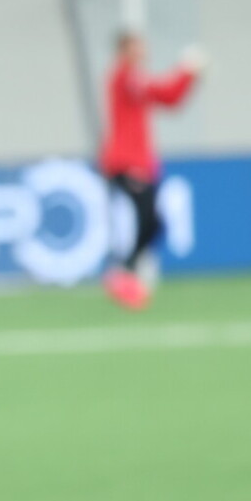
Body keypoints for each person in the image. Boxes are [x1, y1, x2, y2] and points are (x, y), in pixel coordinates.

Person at [99, 31, 207, 310]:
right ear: (124, 50)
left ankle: (125, 273)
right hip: (126, 163)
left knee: (152, 222)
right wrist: (187, 70)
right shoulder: (126, 76)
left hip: (137, 163)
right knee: (149, 219)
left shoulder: (130, 77)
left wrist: (190, 77)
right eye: (137, 46)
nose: (143, 50)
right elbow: (165, 94)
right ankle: (123, 273)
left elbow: (171, 100)